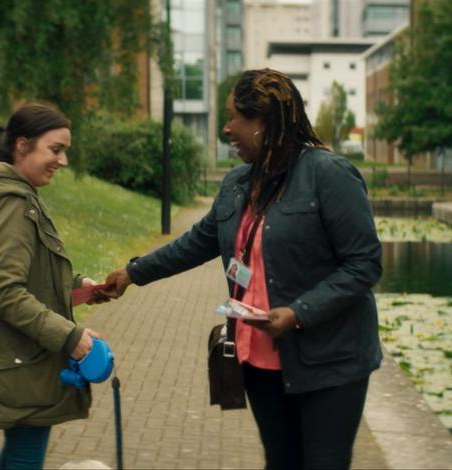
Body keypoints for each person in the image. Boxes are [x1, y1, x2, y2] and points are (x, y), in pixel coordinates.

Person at [103, 69, 383, 469]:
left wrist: (299, 312)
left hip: (330, 361)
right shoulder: (237, 183)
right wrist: (133, 273)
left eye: (235, 117)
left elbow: (364, 263)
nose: (226, 128)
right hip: (258, 358)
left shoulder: (329, 175)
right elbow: (196, 243)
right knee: (280, 462)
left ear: (265, 123)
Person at [0, 103, 107, 469]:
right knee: (24, 456)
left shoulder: (7, 196)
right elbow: (4, 290)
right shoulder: (11, 205)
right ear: (22, 145)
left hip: (14, 356)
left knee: (23, 452)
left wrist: (76, 285)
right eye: (55, 149)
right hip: (18, 360)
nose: (63, 161)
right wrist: (71, 337)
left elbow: (21, 276)